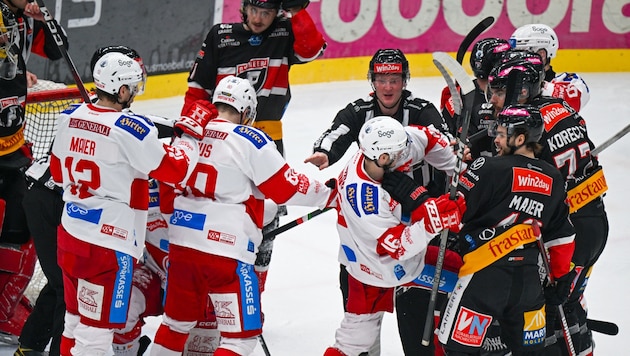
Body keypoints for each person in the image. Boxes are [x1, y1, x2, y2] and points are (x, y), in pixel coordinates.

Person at [150, 75, 336, 356]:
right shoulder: (249, 138)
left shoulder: (188, 133)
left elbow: (166, 192)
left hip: (181, 249)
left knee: (175, 326)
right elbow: (285, 188)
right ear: (247, 111)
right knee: (239, 340)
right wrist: (328, 194)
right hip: (225, 254)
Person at [49, 51, 216, 355]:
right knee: (95, 335)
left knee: (72, 322)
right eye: (134, 88)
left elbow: (59, 174)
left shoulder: (69, 116)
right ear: (122, 90)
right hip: (107, 247)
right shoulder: (130, 129)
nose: (135, 94)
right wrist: (189, 137)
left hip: (70, 234)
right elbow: (175, 169)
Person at [305, 48, 454, 355]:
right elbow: (339, 132)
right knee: (362, 320)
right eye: (382, 79)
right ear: (372, 80)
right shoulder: (360, 111)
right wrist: (325, 152)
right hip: (379, 227)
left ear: (404, 81)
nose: (388, 86)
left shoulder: (422, 111)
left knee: (418, 312)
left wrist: (456, 160)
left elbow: (443, 142)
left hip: (420, 217)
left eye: (395, 79)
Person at [183, 0, 326, 298]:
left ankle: (251, 295)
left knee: (268, 217)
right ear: (244, 8)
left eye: (268, 12)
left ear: (278, 13)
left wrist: (298, 11)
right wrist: (190, 133)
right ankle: (214, 293)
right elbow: (197, 91)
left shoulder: (284, 32)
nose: (260, 19)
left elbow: (311, 49)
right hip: (223, 139)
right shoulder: (221, 35)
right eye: (255, 10)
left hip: (267, 139)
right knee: (223, 211)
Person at [488, 54, 609, 356]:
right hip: (595, 220)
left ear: (524, 90)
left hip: (568, 233)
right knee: (570, 304)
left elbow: (528, 180)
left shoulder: (527, 123)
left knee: (552, 317)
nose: (494, 99)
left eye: (502, 90)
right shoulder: (561, 106)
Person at [437, 104, 576, 355]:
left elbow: (454, 213)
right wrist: (561, 279)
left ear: (520, 138)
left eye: (501, 134)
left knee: (458, 351)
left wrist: (452, 182)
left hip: (483, 280)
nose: (496, 140)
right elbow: (562, 237)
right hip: (528, 284)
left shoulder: (489, 167)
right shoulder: (554, 178)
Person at [323, 116, 466, 356]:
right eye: (400, 154)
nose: (406, 155)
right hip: (380, 266)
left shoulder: (378, 151)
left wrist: (457, 164)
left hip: (361, 261)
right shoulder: (365, 198)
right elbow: (399, 247)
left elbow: (426, 138)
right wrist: (433, 221)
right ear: (383, 158)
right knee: (464, 283)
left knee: (354, 339)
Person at [0, 0, 68, 348]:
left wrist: (45, 18)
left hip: (12, 144)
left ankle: (3, 305)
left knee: (20, 227)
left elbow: (58, 51)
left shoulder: (25, 17)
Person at [440, 37, 511, 159]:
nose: (492, 97)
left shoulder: (520, 93)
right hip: (475, 168)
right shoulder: (457, 96)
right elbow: (449, 139)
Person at [509, 23, 590, 112]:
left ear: (541, 54)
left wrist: (534, 85)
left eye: (521, 52)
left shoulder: (570, 83)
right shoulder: (510, 78)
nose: (515, 58)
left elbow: (575, 102)